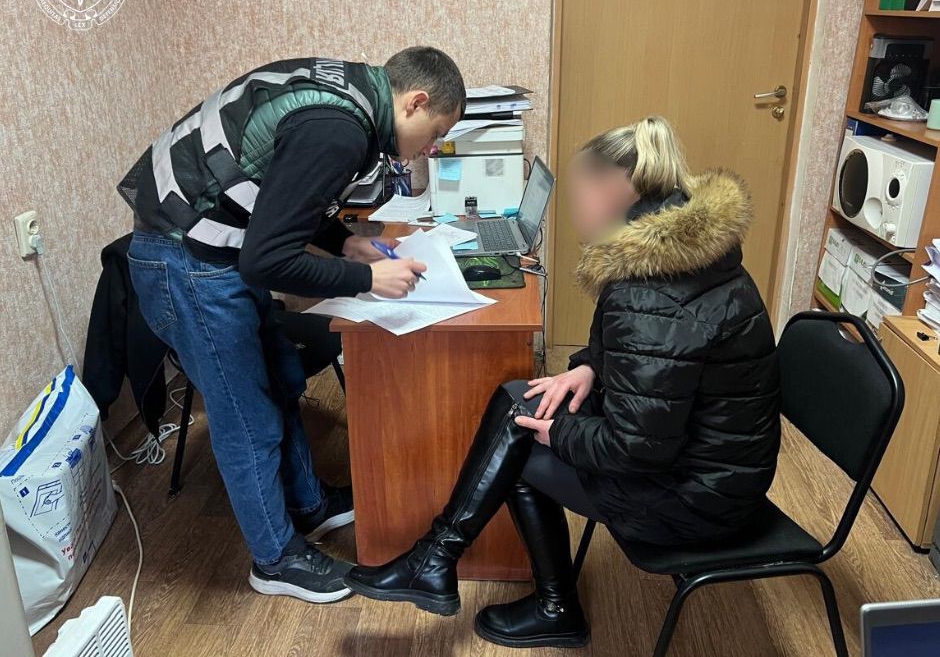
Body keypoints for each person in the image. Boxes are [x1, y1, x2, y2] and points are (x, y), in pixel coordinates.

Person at [344, 116, 781, 648]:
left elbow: (636, 447)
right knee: (520, 402)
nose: (572, 212)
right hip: (717, 468)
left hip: (696, 500)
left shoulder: (648, 289)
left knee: (519, 440)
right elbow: (666, 353)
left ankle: (523, 594)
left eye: (577, 194)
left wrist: (559, 435)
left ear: (614, 188)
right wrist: (588, 366)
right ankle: (437, 560)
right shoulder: (685, 252)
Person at [117, 47, 464, 604]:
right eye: (436, 133)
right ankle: (275, 560)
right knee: (247, 419)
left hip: (210, 247)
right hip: (186, 259)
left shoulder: (348, 91)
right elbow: (267, 262)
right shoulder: (340, 129)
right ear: (416, 102)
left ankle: (309, 505)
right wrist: (366, 278)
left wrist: (344, 242)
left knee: (281, 380)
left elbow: (289, 190)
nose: (430, 148)